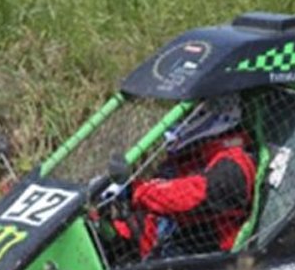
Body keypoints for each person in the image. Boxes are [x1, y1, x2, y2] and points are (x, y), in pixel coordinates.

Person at [109, 96, 257, 260]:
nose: (180, 122)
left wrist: (137, 191)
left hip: (215, 262)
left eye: (186, 115)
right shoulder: (188, 159)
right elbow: (153, 216)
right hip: (157, 253)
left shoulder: (236, 160)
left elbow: (194, 196)